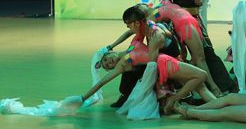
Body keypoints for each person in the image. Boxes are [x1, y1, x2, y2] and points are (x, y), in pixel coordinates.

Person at [161, 0, 235, 94]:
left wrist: (201, 0)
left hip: (197, 22)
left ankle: (225, 86)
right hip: (180, 26)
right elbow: (165, 8)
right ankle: (196, 90)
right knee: (185, 56)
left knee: (208, 53)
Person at [80, 45, 216, 113]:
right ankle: (186, 104)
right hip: (164, 66)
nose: (109, 62)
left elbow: (131, 32)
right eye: (107, 65)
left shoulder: (131, 45)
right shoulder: (122, 64)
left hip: (166, 62)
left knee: (200, 86)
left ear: (111, 52)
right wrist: (82, 98)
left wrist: (113, 43)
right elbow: (101, 83)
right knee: (201, 75)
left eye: (106, 59)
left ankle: (217, 106)